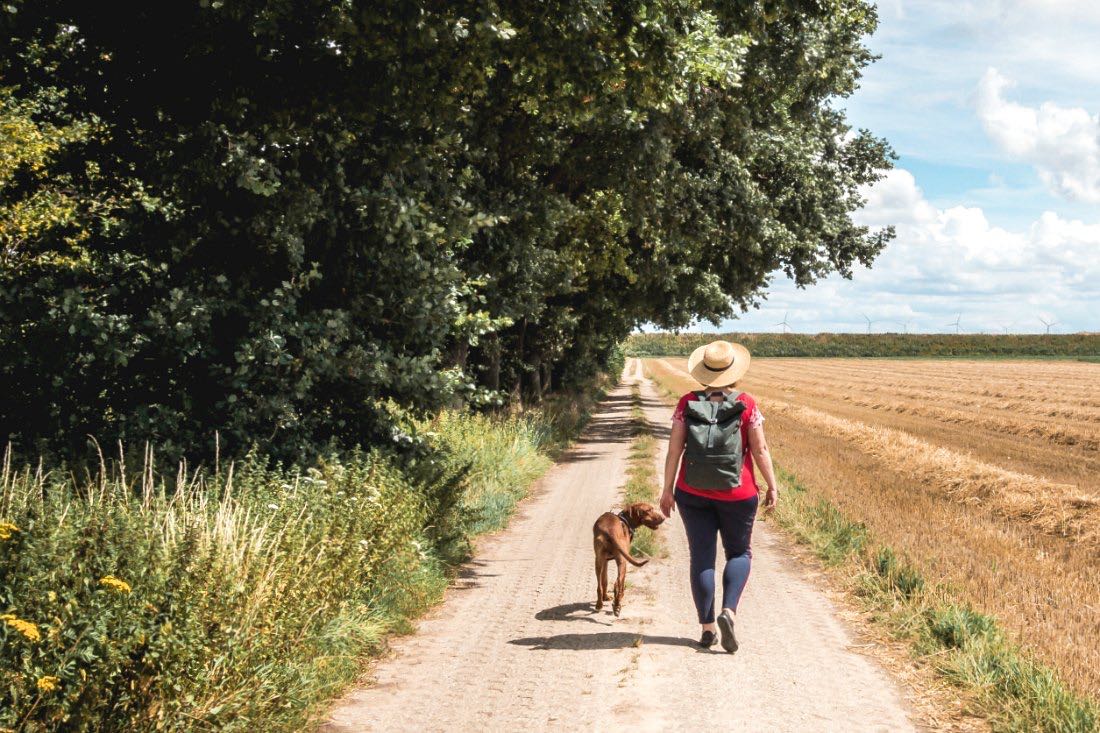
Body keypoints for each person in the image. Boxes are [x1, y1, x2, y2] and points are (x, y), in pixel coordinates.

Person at [658, 339, 779, 652]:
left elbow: (674, 450)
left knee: (701, 557)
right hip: (738, 493)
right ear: (734, 371)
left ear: (703, 372)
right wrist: (772, 485)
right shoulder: (747, 403)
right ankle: (729, 612)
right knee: (739, 553)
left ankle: (708, 628)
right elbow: (761, 449)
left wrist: (667, 489)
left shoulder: (687, 403)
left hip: (691, 492)